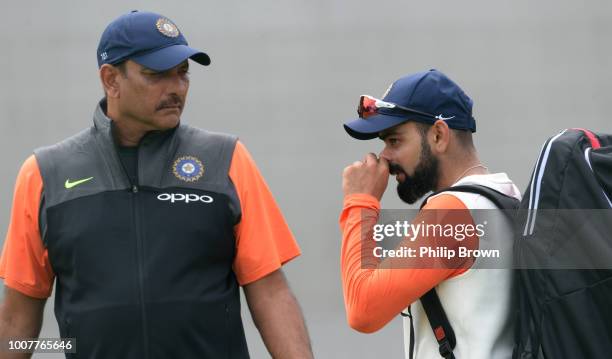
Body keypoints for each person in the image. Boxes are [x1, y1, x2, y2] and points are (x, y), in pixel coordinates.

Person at [0, 10, 313, 359]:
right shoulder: (44, 174)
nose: (176, 87)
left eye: (183, 73)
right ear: (111, 80)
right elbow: (17, 320)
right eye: (157, 75)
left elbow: (270, 293)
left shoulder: (227, 159)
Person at [340, 69, 521, 358]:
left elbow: (363, 310)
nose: (383, 157)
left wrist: (359, 202)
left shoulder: (453, 212)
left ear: (438, 135)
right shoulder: (505, 195)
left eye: (394, 141)